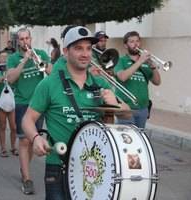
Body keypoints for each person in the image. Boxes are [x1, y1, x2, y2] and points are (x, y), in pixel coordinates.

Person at [22, 26, 130, 199]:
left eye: (88, 48)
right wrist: (35, 138)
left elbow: (127, 114)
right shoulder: (49, 84)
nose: (85, 53)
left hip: (94, 166)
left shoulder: (100, 83)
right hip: (58, 165)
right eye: (78, 48)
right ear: (65, 51)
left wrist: (115, 102)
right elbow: (28, 119)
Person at [6, 27, 52, 195]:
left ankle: (24, 169)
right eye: (22, 39)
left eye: (27, 38)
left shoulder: (40, 54)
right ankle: (27, 178)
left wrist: (40, 61)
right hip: (22, 103)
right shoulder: (13, 58)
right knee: (24, 141)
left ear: (31, 39)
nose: (25, 42)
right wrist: (24, 60)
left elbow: (52, 73)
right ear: (18, 41)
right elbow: (10, 78)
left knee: (33, 140)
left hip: (39, 104)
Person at [114, 31, 161, 128]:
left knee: (139, 139)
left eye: (137, 41)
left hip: (143, 108)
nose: (135, 44)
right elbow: (122, 77)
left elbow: (157, 82)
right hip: (126, 108)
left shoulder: (145, 62)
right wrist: (140, 61)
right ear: (126, 45)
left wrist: (153, 66)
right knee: (127, 139)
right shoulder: (120, 60)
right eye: (131, 42)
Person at [0, 50, 18, 157]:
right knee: (3, 125)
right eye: (2, 57)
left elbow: (17, 80)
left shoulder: (11, 69)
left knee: (14, 127)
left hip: (11, 99)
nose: (4, 59)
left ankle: (13, 147)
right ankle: (3, 148)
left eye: (6, 57)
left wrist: (10, 78)